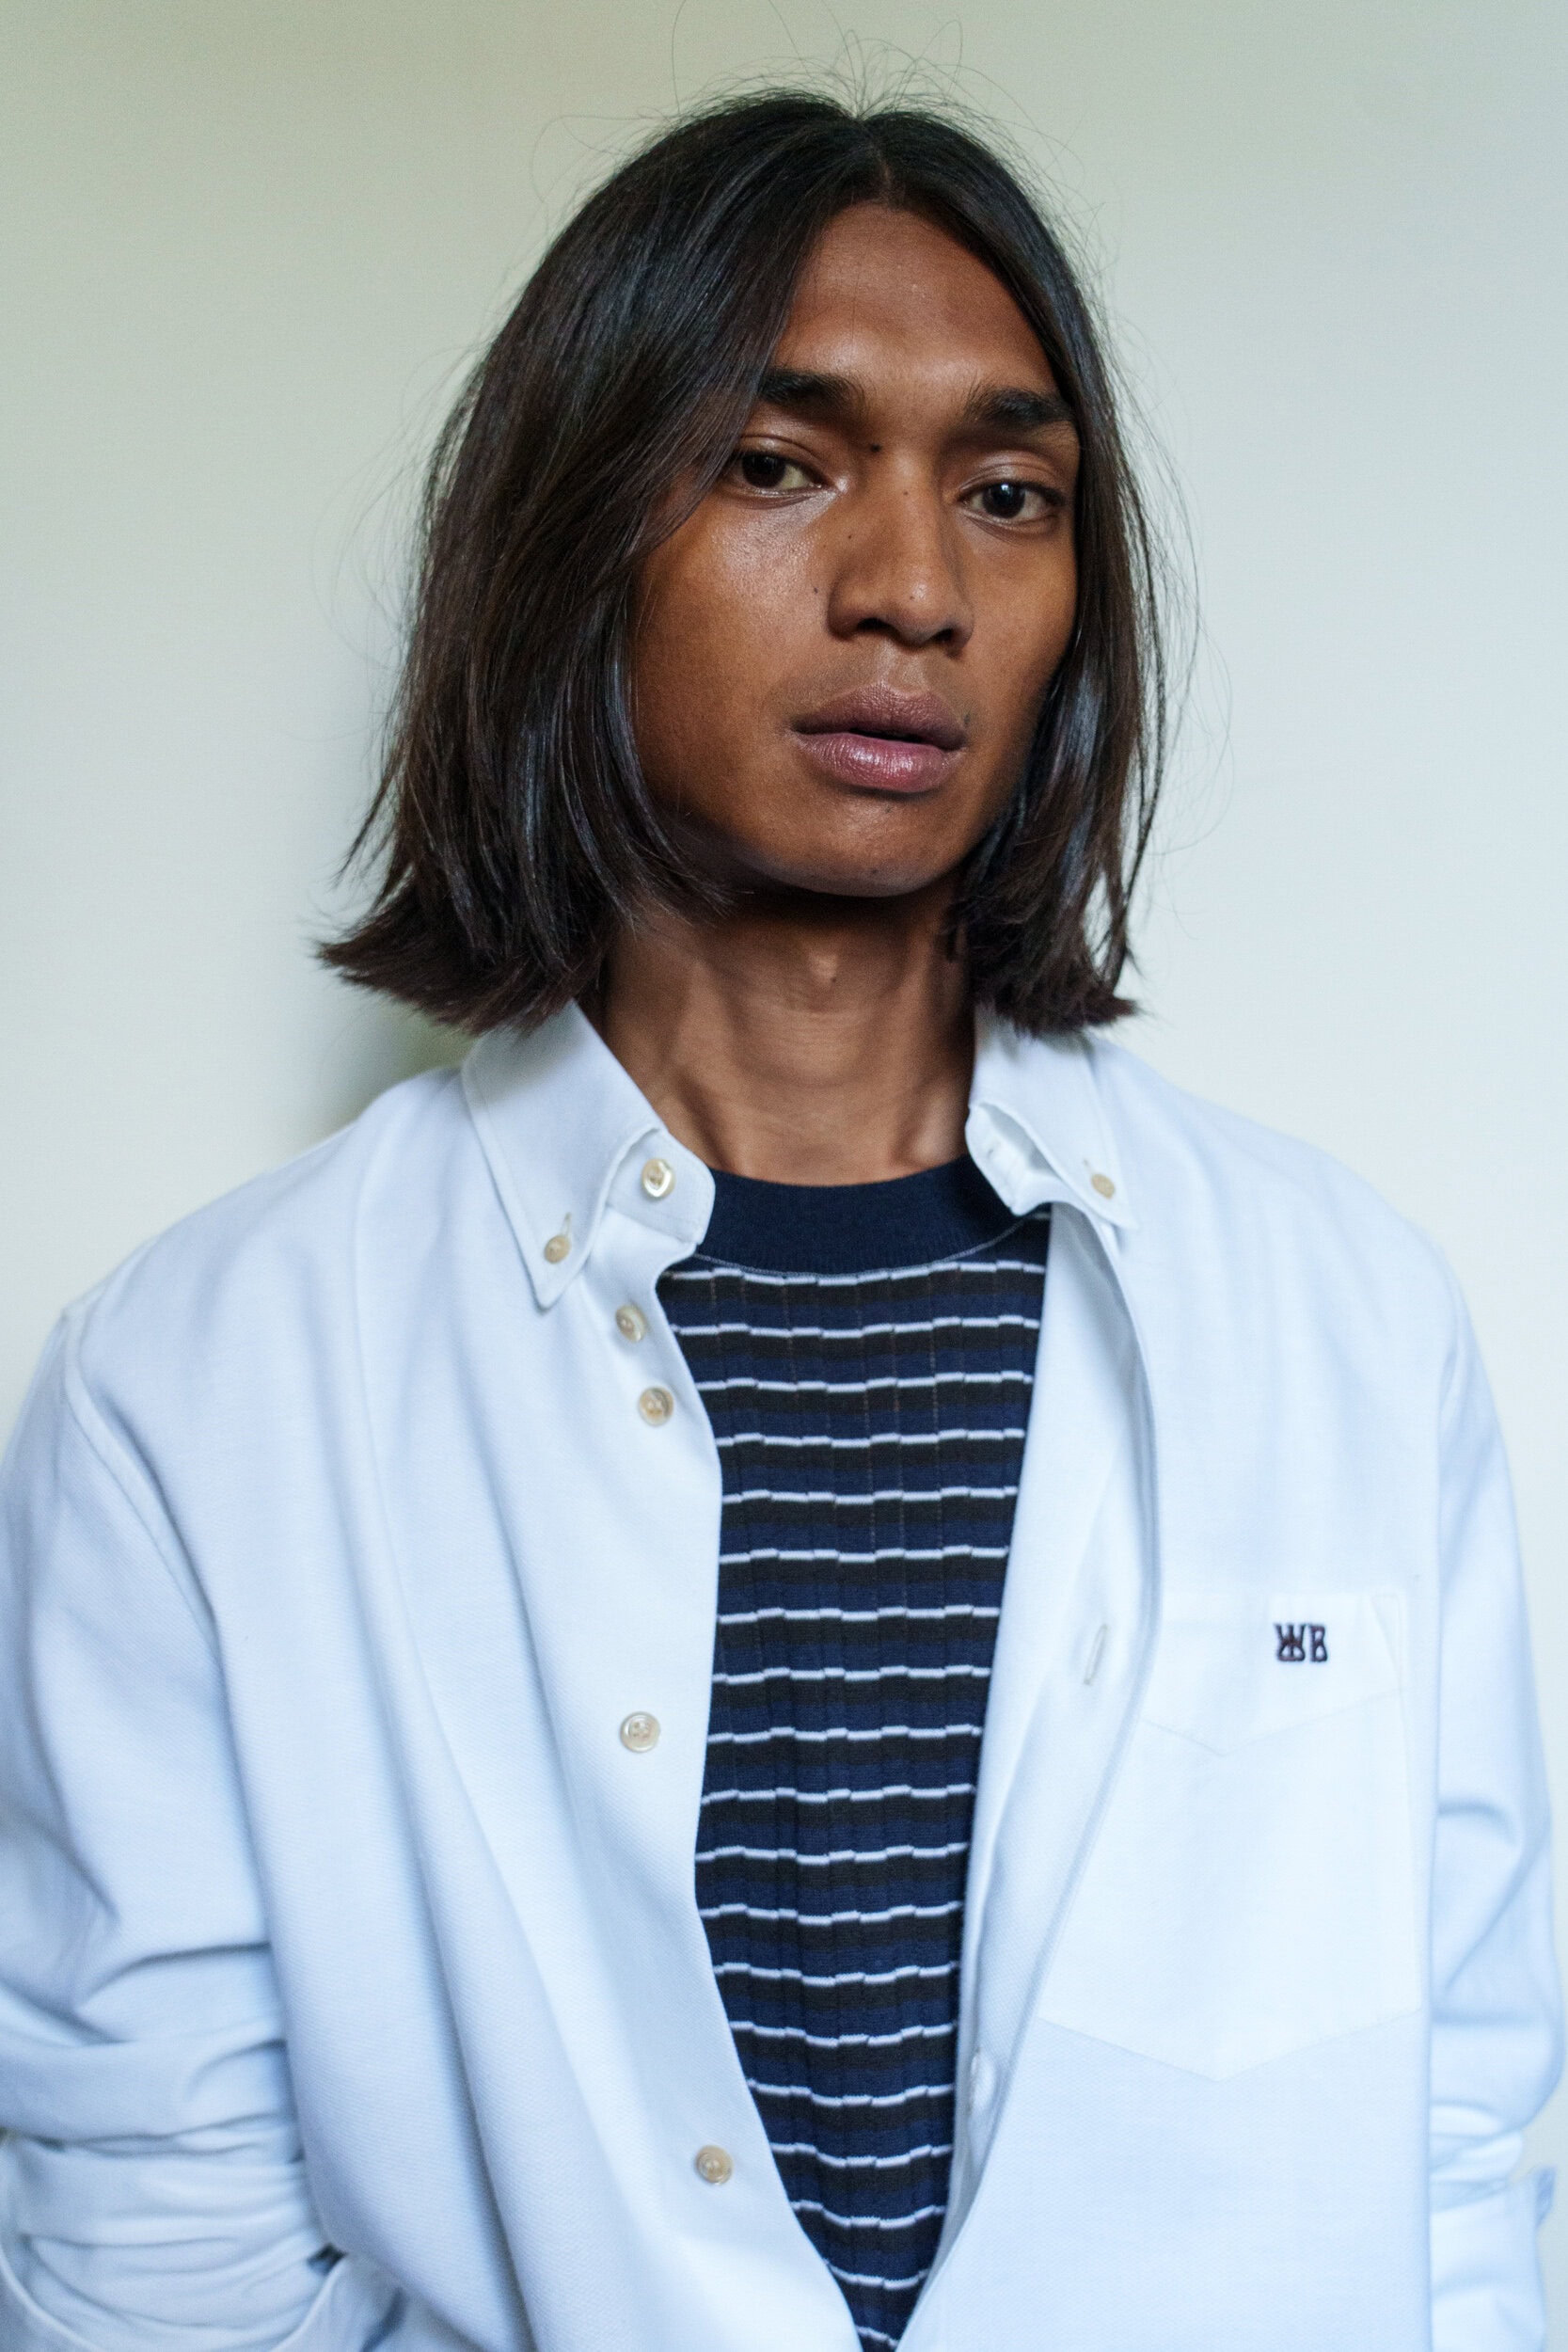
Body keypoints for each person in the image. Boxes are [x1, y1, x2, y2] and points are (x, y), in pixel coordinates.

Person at [0, 87, 1558, 2352]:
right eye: (777, 462)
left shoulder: (1341, 1321)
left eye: (1008, 493)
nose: (912, 586)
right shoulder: (202, 1382)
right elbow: (159, 2248)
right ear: (573, 533)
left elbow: (1453, 2162)